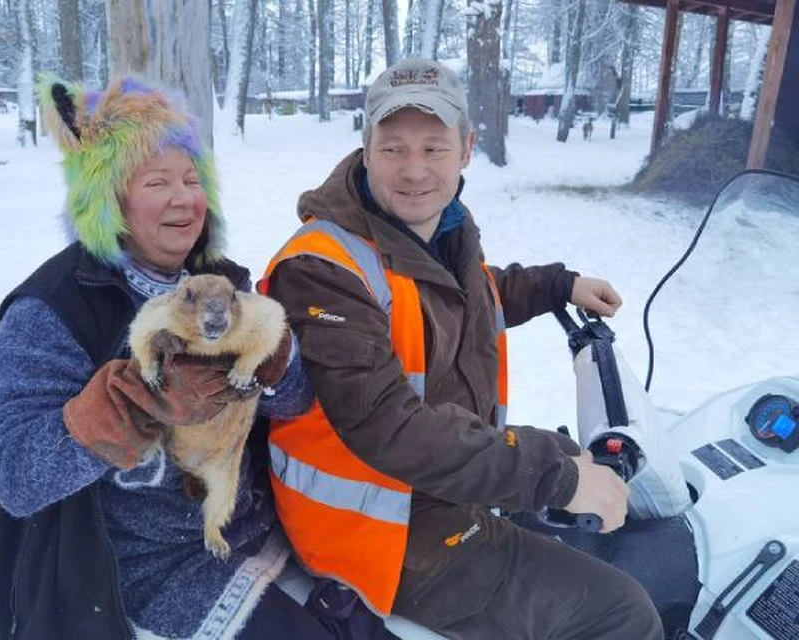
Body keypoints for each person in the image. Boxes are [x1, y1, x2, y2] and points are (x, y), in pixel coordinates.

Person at [259, 58, 664, 639]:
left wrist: (555, 285)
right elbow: (385, 427)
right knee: (623, 613)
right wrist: (558, 480)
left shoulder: (436, 228)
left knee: (574, 452)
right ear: (366, 149)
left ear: (467, 148)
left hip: (431, 486)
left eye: (434, 148)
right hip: (378, 534)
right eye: (394, 148)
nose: (415, 170)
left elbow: (467, 290)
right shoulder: (322, 268)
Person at [0, 76, 350, 640]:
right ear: (108, 197)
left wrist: (274, 361)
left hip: (255, 528)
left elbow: (294, 401)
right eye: (158, 181)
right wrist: (132, 407)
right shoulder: (54, 309)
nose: (184, 198)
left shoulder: (219, 284)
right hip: (141, 570)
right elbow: (16, 477)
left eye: (191, 178)